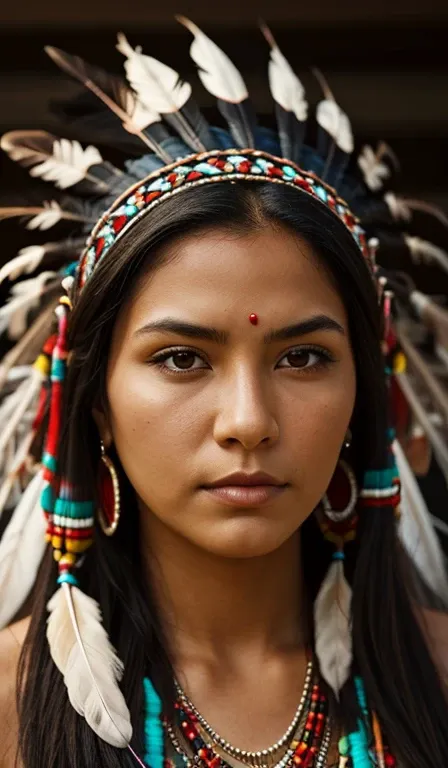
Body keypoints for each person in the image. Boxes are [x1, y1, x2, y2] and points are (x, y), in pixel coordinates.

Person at [0, 19, 447, 768]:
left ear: (362, 394)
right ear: (97, 399)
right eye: (181, 358)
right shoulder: (12, 706)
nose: (248, 421)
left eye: (303, 356)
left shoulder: (435, 677)